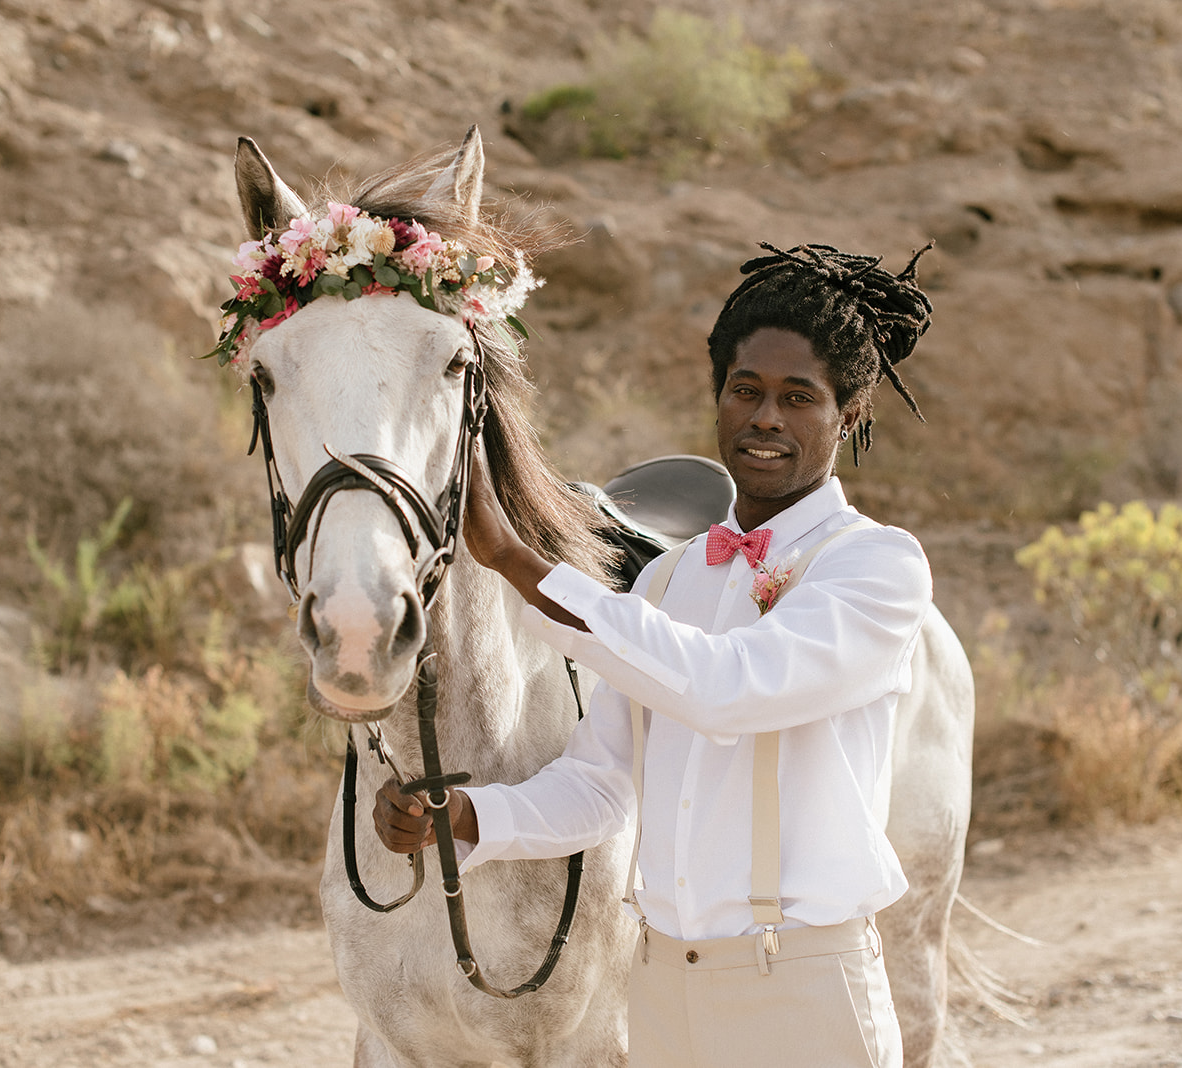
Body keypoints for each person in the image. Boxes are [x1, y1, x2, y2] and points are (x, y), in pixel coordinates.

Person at [374, 241, 935, 1068]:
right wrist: (466, 818)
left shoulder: (876, 564)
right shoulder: (671, 578)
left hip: (807, 993)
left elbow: (726, 691)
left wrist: (519, 564)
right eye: (745, 391)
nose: (766, 417)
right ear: (718, 399)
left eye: (798, 398)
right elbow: (600, 785)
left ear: (848, 415)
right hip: (664, 992)